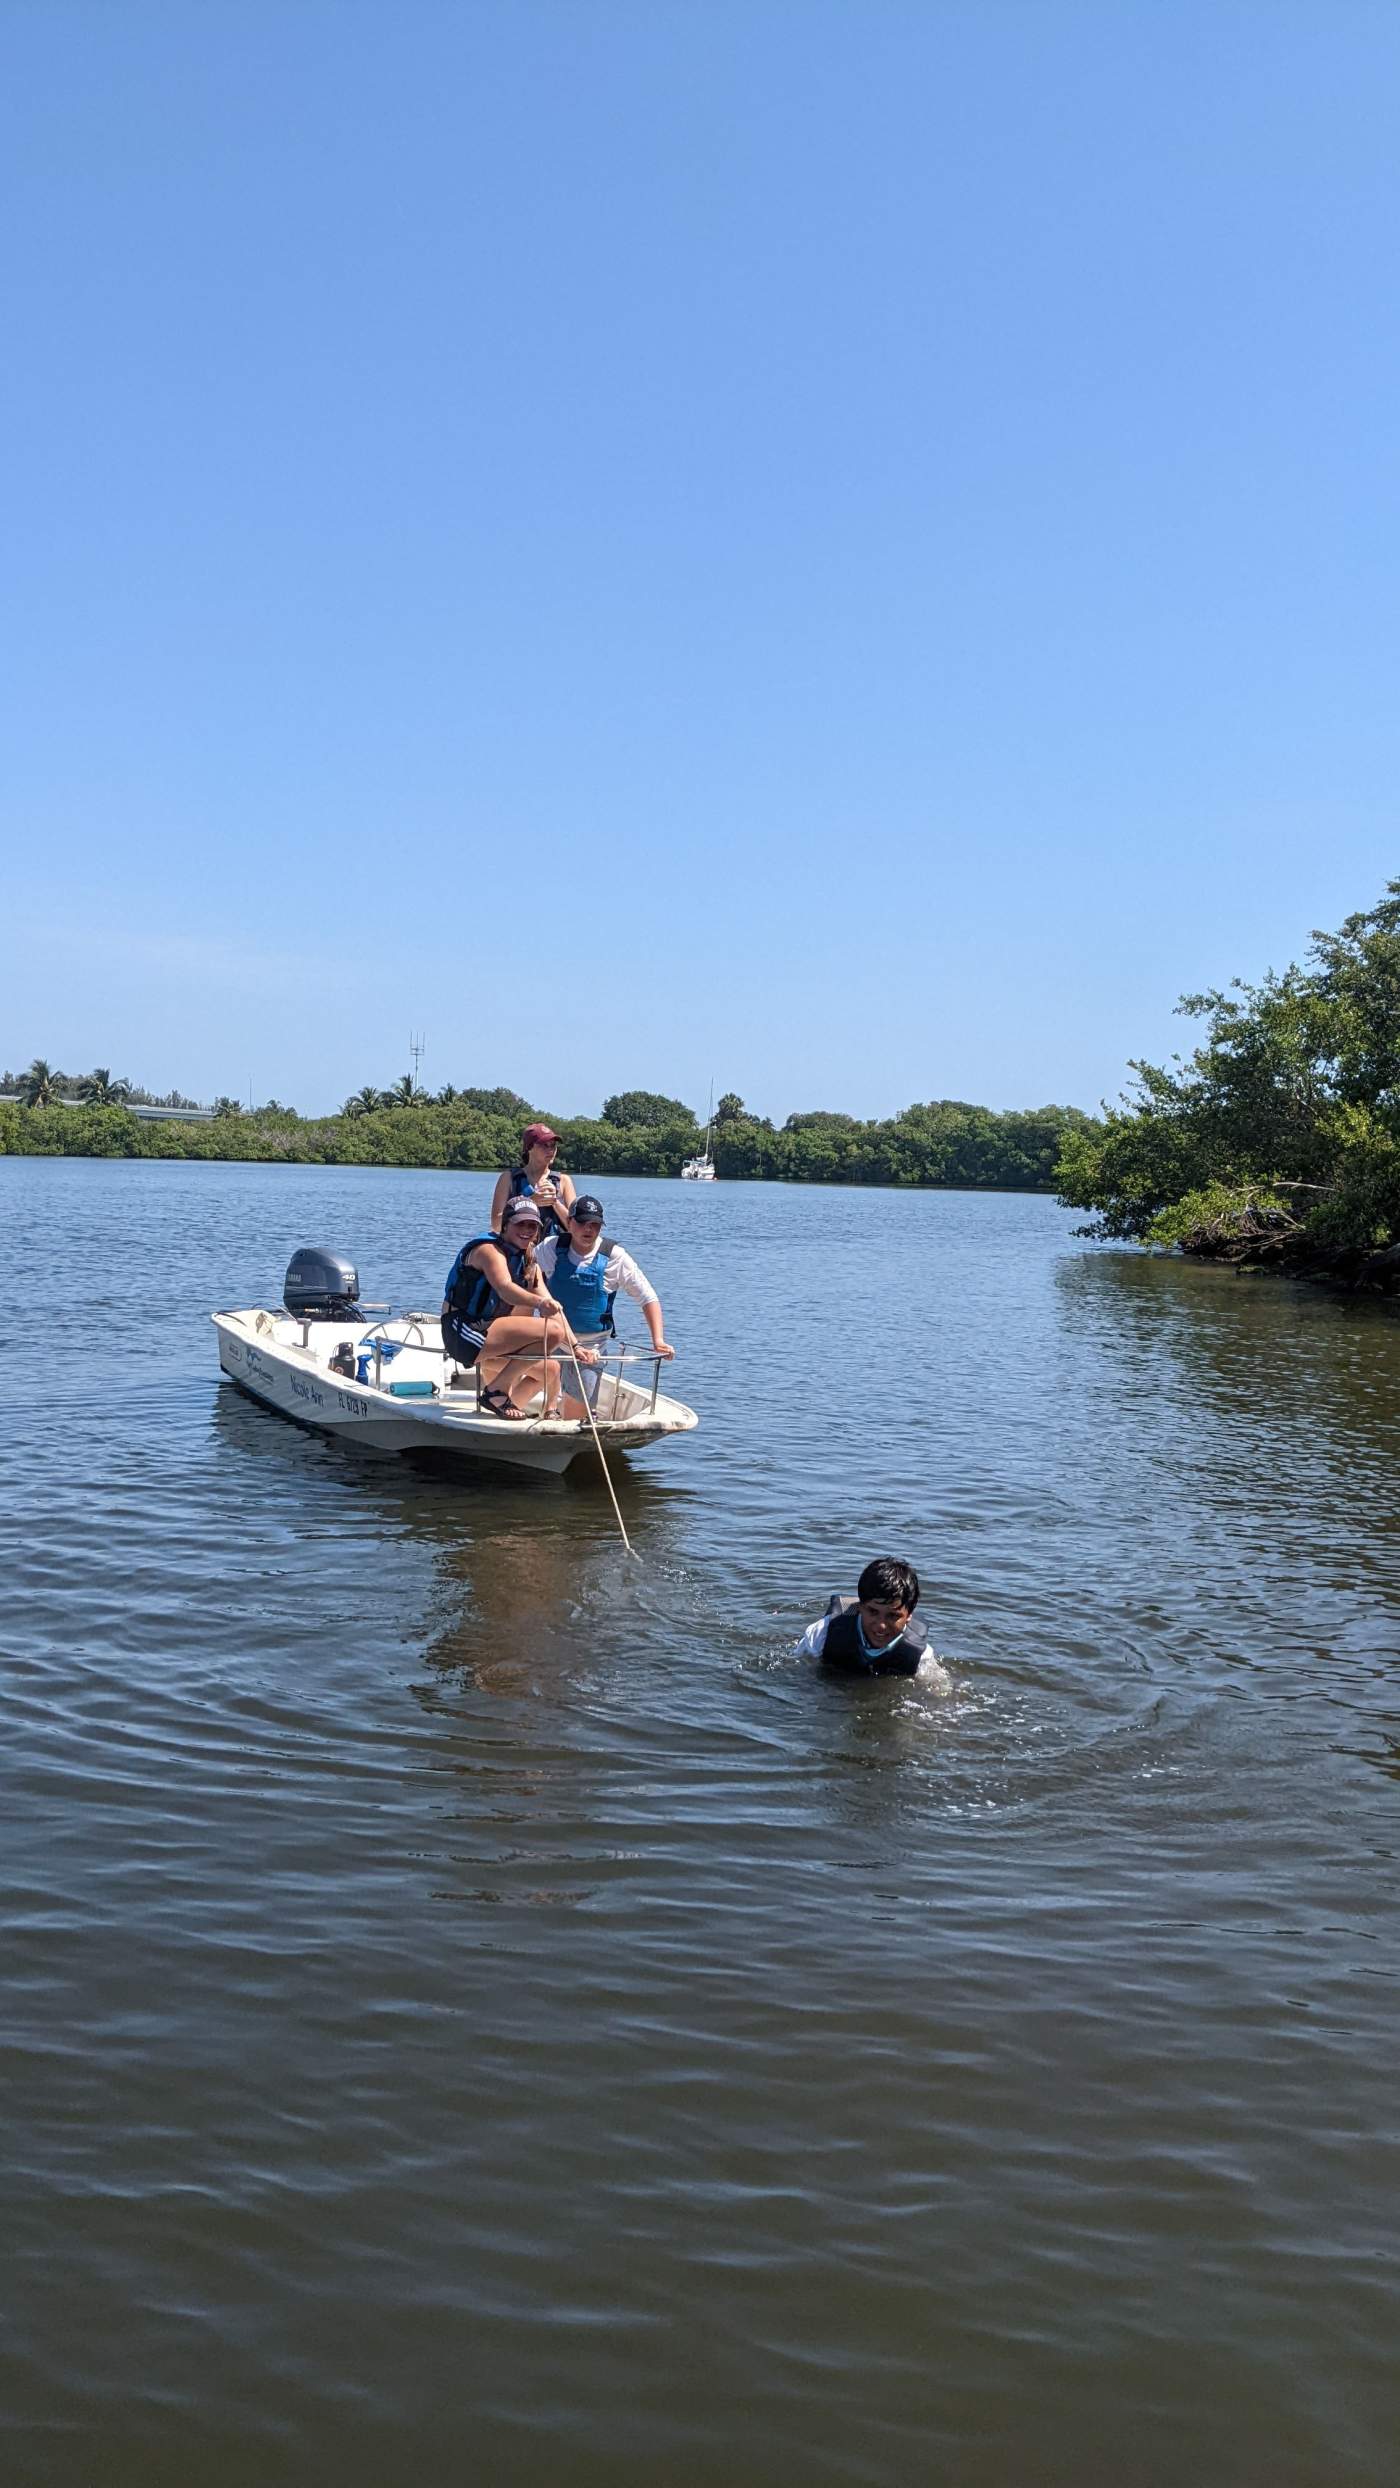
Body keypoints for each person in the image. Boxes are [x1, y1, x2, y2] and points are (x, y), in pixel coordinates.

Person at [441, 1196, 582, 1420]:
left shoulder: (528, 1260)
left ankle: (506, 1408)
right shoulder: (488, 1251)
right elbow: (505, 1288)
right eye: (520, 1224)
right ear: (506, 1225)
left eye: (532, 1226)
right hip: (464, 1331)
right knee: (552, 1332)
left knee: (551, 1369)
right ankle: (496, 1391)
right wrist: (539, 1303)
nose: (527, 1230)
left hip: (488, 1332)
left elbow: (554, 1309)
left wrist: (575, 1347)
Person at [794, 1557, 933, 1678]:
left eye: (892, 1616)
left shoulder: (920, 1655)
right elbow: (799, 1671)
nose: (881, 1626)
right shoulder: (823, 1633)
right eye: (873, 1612)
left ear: (909, 1615)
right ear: (860, 1606)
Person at [490, 1123, 577, 1243]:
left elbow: (577, 1228)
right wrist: (530, 1203)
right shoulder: (508, 1178)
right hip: (517, 1251)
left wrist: (555, 1202)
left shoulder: (563, 1181)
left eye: (553, 1146)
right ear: (529, 1148)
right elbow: (496, 1225)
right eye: (544, 1145)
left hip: (552, 1254)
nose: (550, 1150)